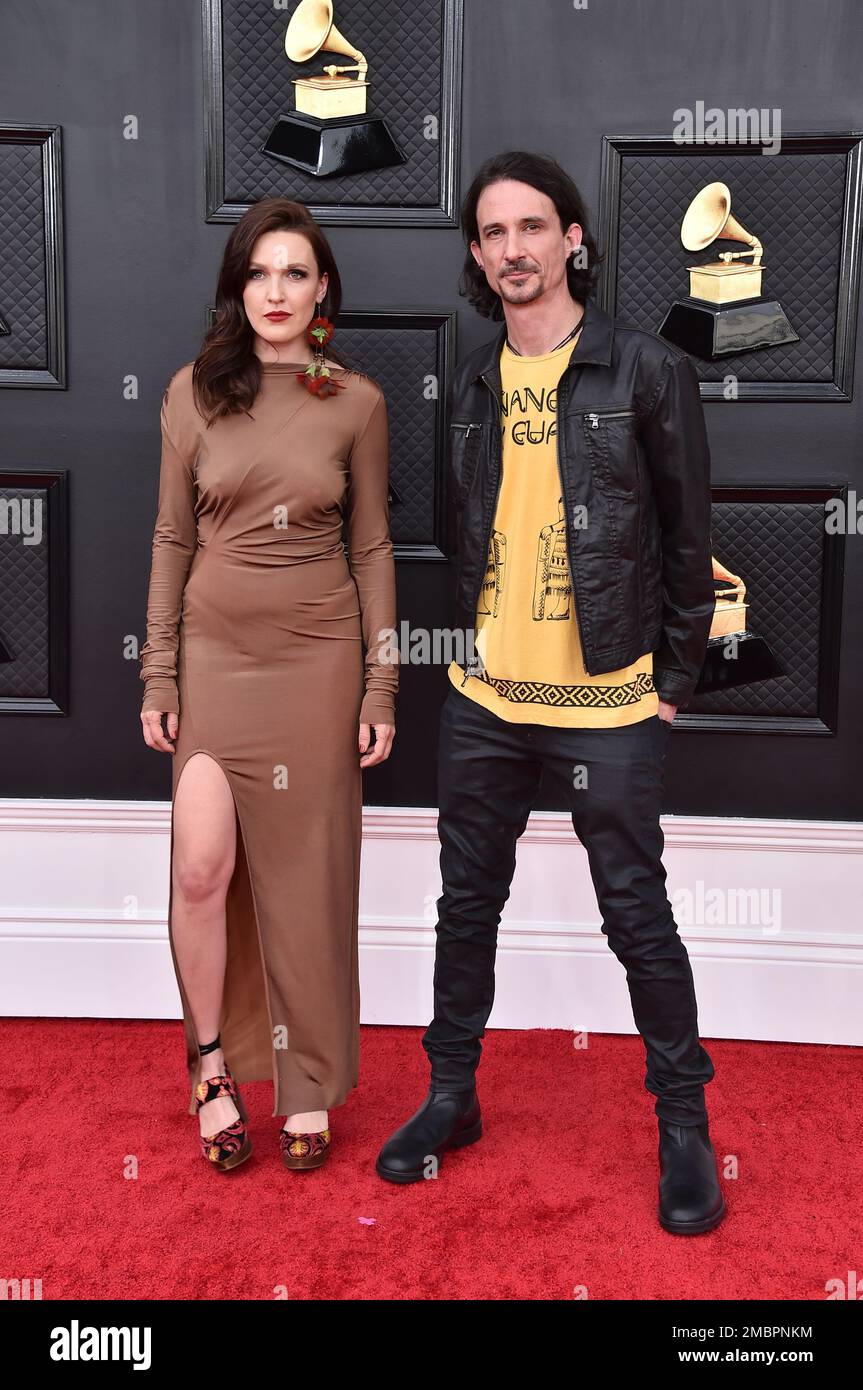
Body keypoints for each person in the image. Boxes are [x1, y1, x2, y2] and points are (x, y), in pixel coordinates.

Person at [376, 151, 725, 1235]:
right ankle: (451, 1095)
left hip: (606, 702)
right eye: (491, 233)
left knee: (636, 914)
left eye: (531, 227)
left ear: (571, 237)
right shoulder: (475, 375)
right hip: (485, 693)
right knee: (464, 904)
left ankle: (681, 1125)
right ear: (477, 253)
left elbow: (687, 536)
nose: (512, 249)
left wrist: (667, 683)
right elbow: (465, 527)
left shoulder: (643, 369)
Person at [140, 197, 397, 1172]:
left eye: (295, 272)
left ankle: (309, 1084)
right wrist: (157, 670)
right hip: (212, 662)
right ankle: (210, 1069)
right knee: (201, 870)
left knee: (308, 883)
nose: (276, 291)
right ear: (235, 288)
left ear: (321, 287)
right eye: (259, 273)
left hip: (318, 660)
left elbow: (371, 549)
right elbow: (171, 539)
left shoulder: (356, 403)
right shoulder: (189, 394)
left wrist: (381, 690)